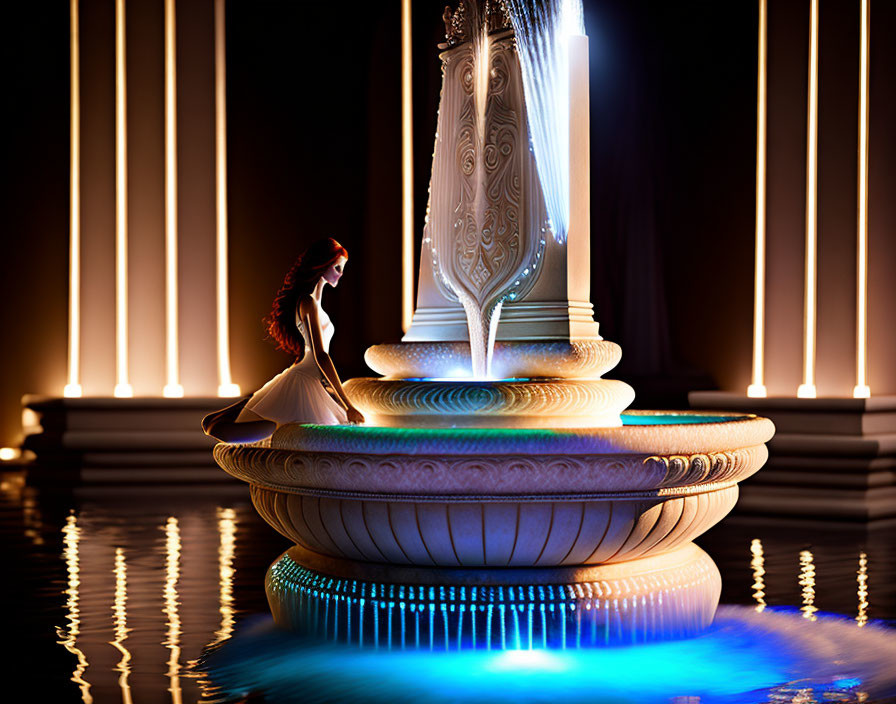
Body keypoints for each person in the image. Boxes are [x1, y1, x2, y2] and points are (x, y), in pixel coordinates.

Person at [202, 238, 364, 443]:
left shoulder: (314, 304)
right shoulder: (308, 302)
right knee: (257, 427)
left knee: (221, 423)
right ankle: (248, 411)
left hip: (307, 377)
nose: (341, 274)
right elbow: (320, 355)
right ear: (323, 266)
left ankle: (247, 406)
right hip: (303, 380)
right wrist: (347, 404)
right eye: (337, 267)